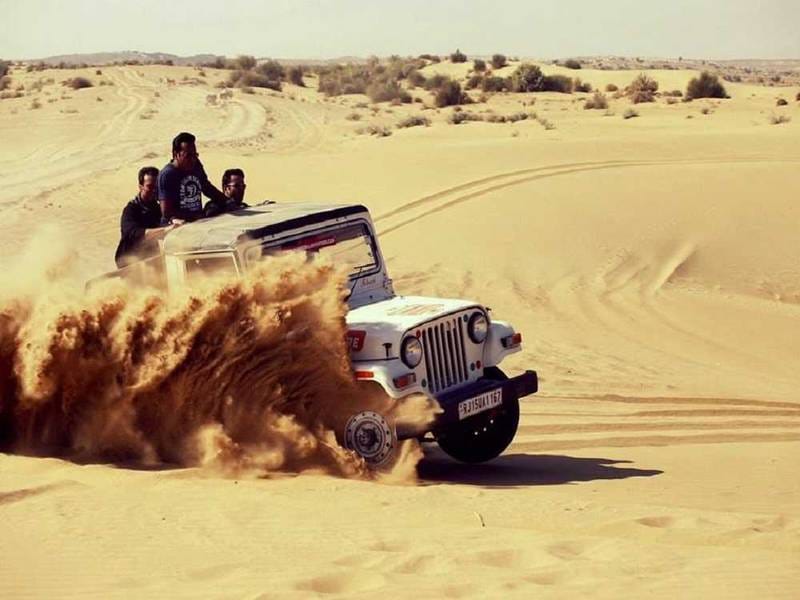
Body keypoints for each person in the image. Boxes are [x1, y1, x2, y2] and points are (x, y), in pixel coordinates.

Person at [115, 166, 178, 268]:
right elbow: (134, 233)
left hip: (152, 258)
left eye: (156, 187)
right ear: (140, 187)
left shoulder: (158, 208)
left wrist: (174, 222)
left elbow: (167, 221)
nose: (154, 191)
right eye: (150, 186)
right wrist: (166, 229)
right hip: (128, 263)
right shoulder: (130, 210)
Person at [157, 131, 226, 224]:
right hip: (177, 226)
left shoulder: (196, 164)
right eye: (188, 156)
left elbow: (206, 187)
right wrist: (193, 216)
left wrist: (227, 201)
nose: (192, 159)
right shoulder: (167, 175)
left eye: (195, 155)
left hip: (199, 221)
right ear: (176, 154)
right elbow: (166, 212)